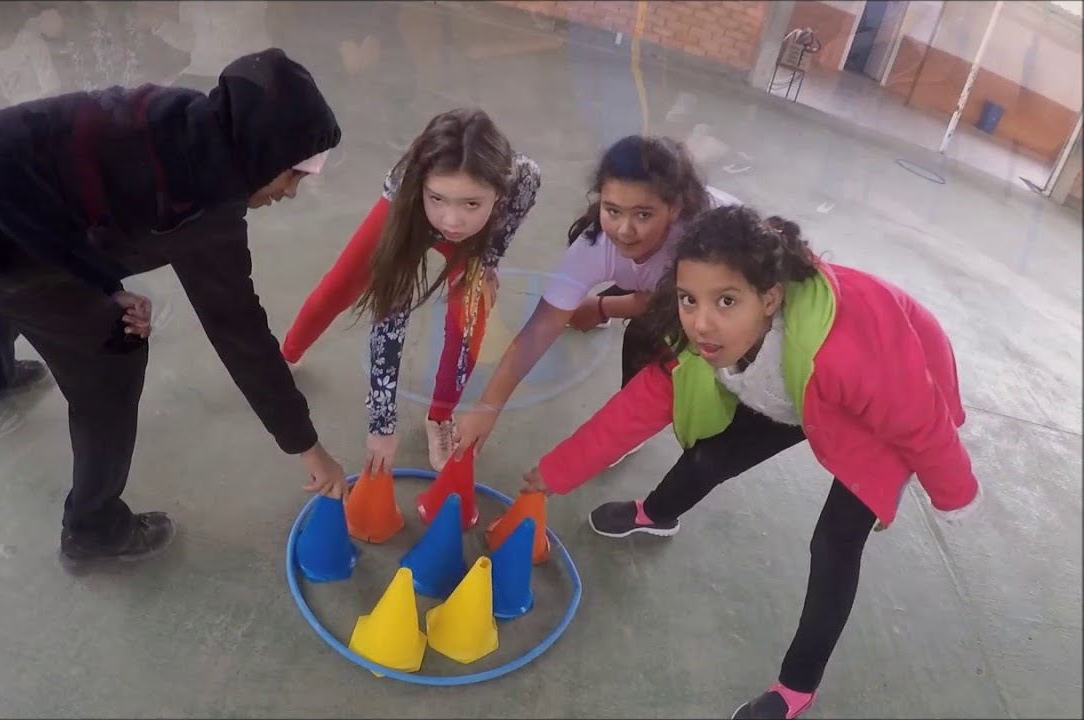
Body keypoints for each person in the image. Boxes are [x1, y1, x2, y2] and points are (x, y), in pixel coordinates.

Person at [517, 205, 983, 719]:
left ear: (769, 299)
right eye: (688, 299)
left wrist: (953, 495)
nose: (701, 322)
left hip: (893, 386)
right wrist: (554, 471)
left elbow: (919, 419)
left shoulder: (846, 353)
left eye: (726, 301)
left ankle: (797, 686)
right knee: (713, 453)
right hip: (795, 384)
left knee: (834, 542)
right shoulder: (701, 337)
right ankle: (657, 512)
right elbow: (633, 411)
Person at [0, 48, 350, 565]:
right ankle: (92, 529)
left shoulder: (188, 120)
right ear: (261, 152)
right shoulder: (204, 207)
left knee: (45, 291)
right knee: (112, 354)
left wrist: (103, 284)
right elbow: (239, 332)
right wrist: (308, 446)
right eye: (291, 176)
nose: (291, 193)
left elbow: (82, 203)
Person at [279, 108, 541, 472]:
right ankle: (288, 352)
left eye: (471, 203)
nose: (452, 220)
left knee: (470, 317)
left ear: (498, 192)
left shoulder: (522, 179)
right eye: (438, 197)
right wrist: (382, 425)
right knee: (340, 284)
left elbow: (503, 231)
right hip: (408, 220)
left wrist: (489, 262)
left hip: (474, 244)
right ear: (422, 185)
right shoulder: (406, 188)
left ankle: (440, 417)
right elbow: (390, 321)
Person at [453, 135, 737, 462]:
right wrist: (487, 408)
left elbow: (665, 304)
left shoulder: (699, 243)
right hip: (661, 283)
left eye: (643, 215)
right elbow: (539, 331)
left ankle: (629, 430)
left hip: (711, 291)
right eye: (612, 210)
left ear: (673, 209)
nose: (624, 229)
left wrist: (603, 307)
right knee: (620, 284)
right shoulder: (594, 246)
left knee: (644, 333)